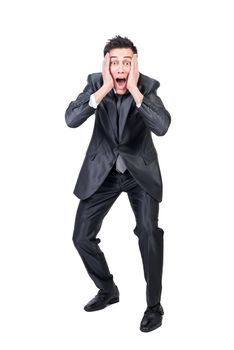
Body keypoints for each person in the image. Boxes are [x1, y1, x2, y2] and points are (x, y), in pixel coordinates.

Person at [65, 35, 171, 332]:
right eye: (114, 62)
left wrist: (135, 90)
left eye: (127, 62)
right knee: (81, 237)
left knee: (149, 232)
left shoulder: (147, 87)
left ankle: (154, 306)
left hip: (139, 174)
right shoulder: (96, 84)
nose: (120, 67)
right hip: (104, 173)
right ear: (106, 65)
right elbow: (71, 119)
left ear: (135, 65)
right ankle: (108, 290)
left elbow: (162, 126)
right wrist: (104, 89)